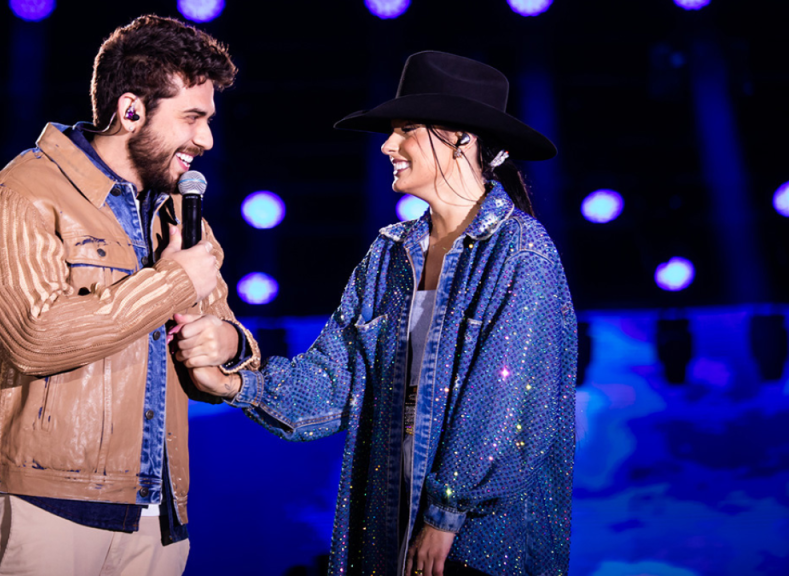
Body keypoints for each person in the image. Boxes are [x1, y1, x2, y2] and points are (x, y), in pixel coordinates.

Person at [182, 51, 576, 576]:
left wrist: (445, 515)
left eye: (406, 129)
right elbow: (335, 381)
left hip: (478, 545)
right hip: (389, 528)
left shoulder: (521, 250)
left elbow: (508, 404)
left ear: (462, 138)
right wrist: (238, 384)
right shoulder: (391, 253)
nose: (388, 145)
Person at [0, 15, 259, 576]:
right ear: (130, 111)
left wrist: (229, 343)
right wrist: (172, 282)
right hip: (46, 503)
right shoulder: (18, 194)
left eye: (208, 120)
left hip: (157, 515)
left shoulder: (181, 215)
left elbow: (227, 345)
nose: (206, 140)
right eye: (192, 118)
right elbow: (34, 338)